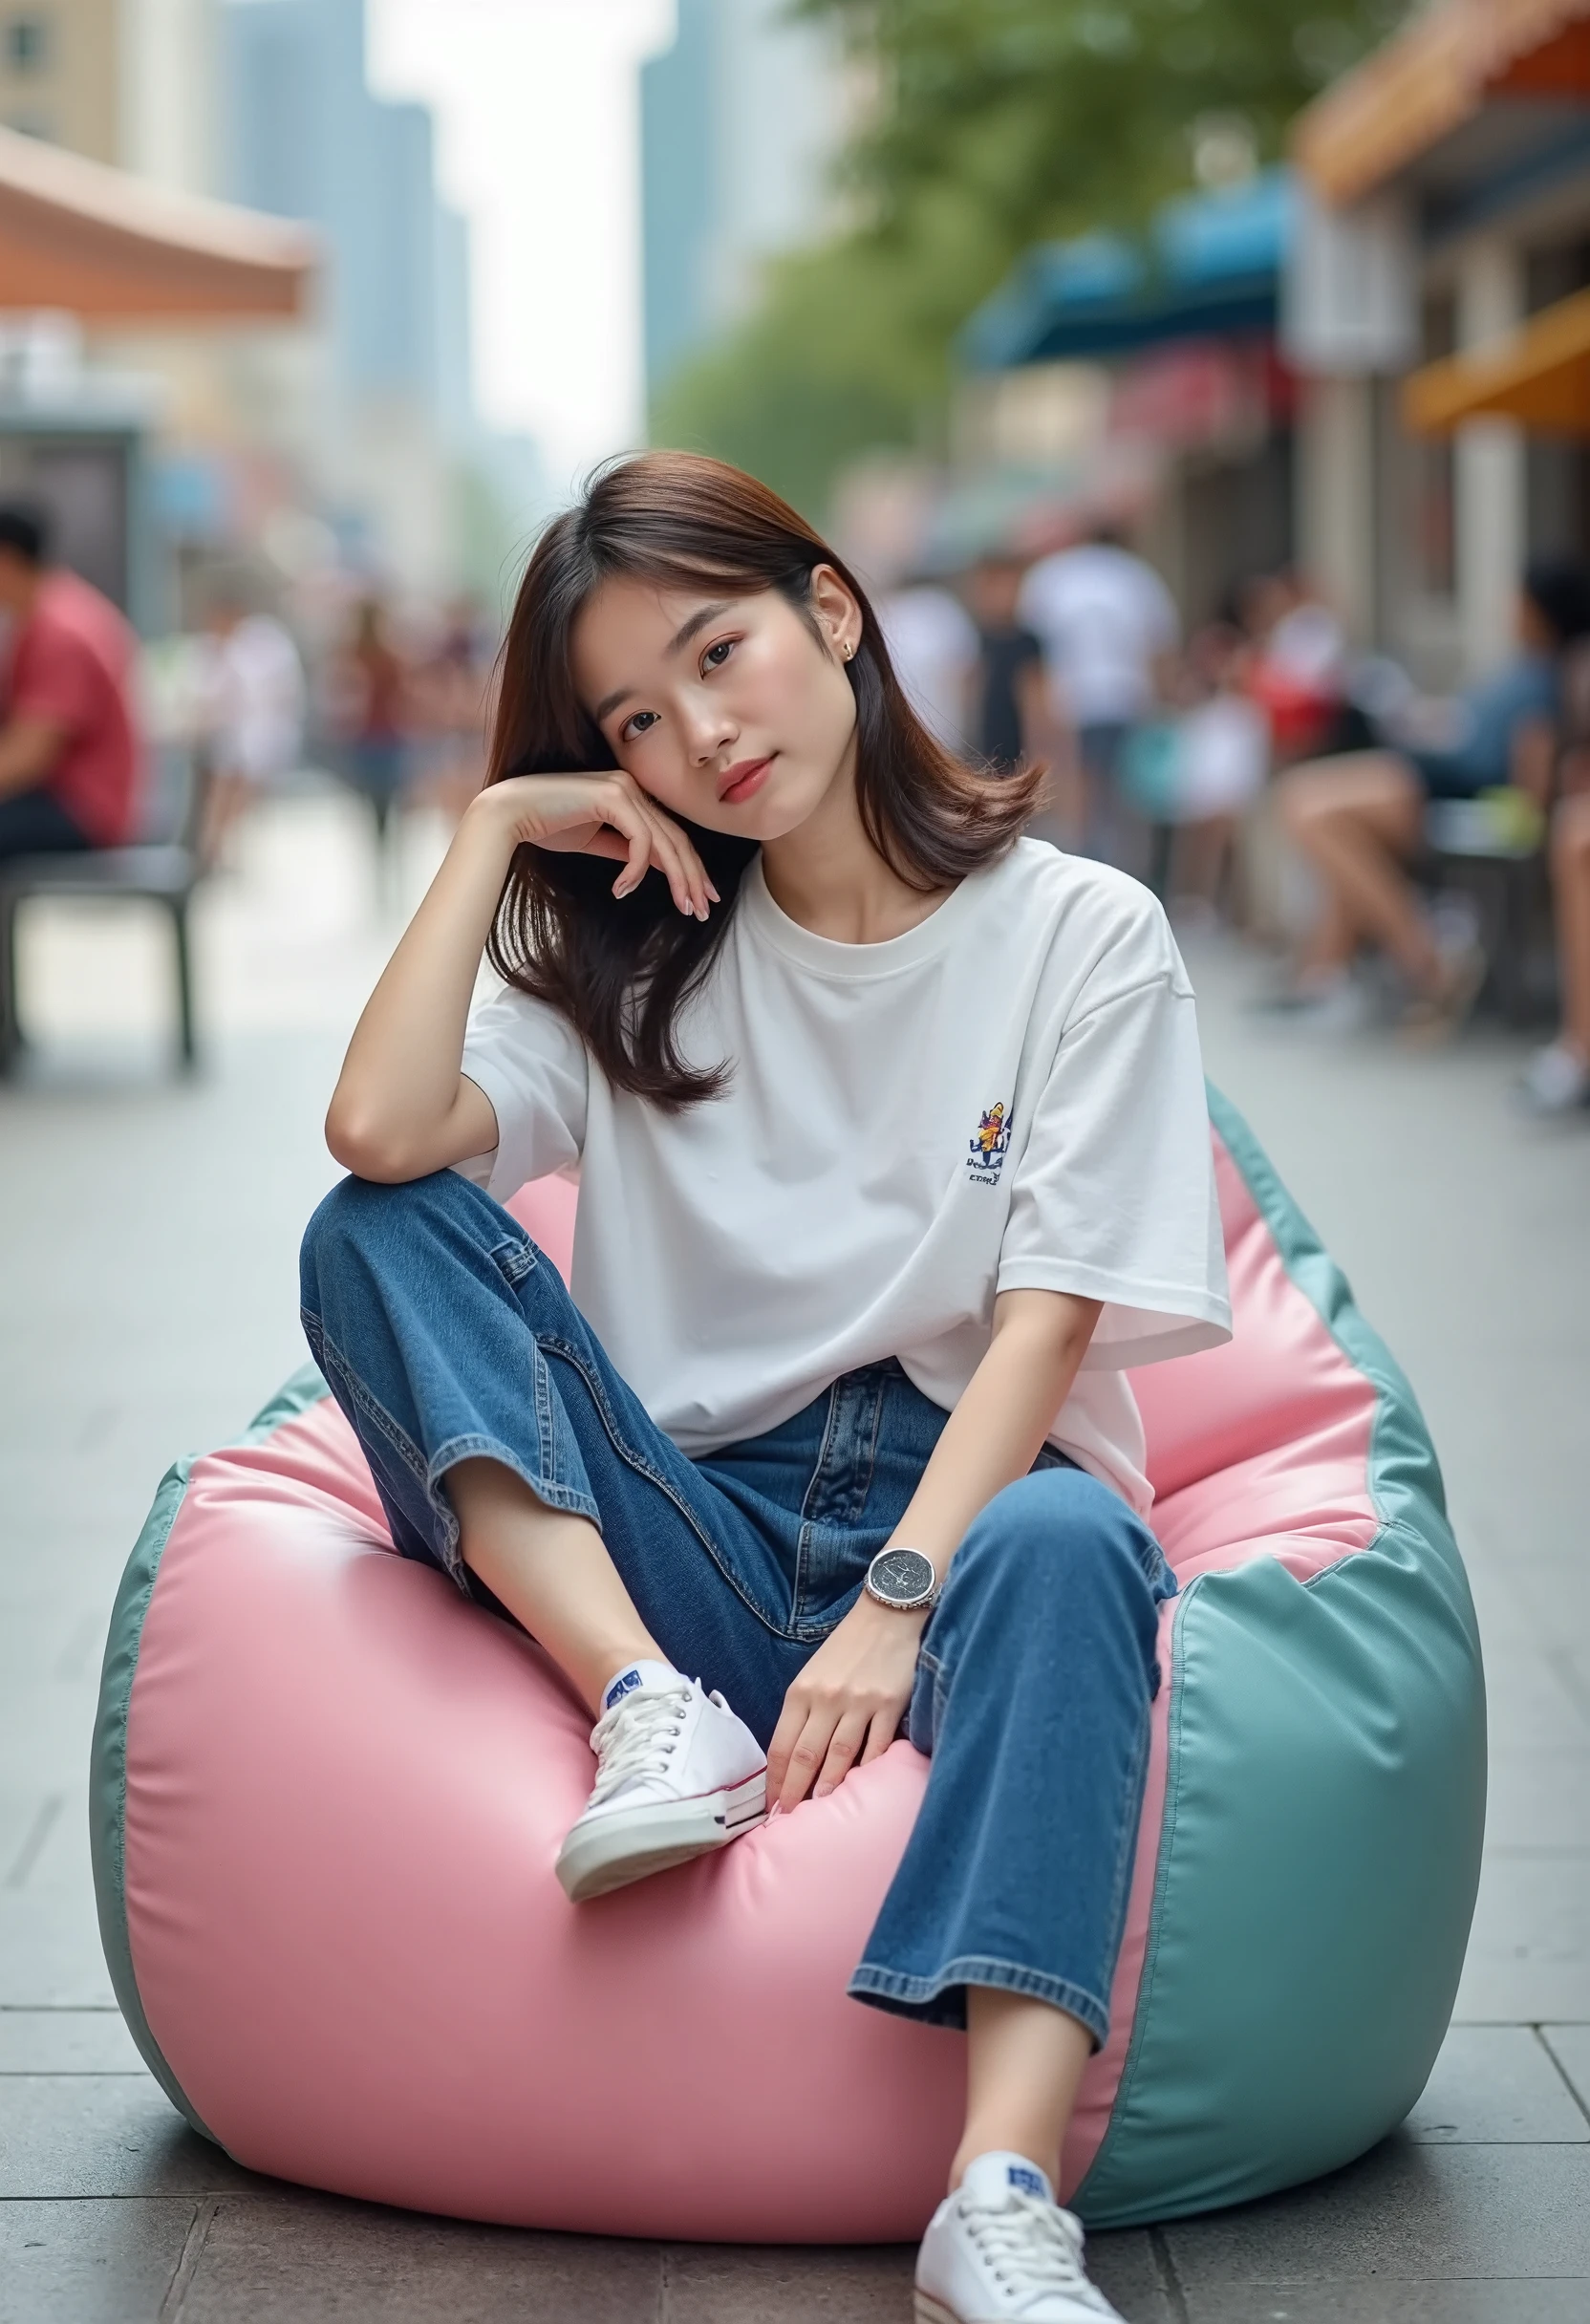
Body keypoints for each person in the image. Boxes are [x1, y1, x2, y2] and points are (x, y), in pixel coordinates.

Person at [301, 453, 1230, 2324]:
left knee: (1070, 1543)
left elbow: (1044, 1320)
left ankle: (996, 2195)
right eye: (637, 715)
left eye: (720, 654)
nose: (700, 733)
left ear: (832, 609)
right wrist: (489, 831)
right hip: (687, 1528)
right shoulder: (632, 967)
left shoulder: (1079, 934)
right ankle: (642, 1704)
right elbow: (381, 1126)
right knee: (366, 1229)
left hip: (956, 1513)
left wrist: (896, 1601)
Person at [1275, 557, 1590, 1031]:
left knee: (1308, 808)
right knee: (1329, 826)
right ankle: (1331, 975)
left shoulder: (1548, 679)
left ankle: (1421, 960)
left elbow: (1534, 767)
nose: (1507, 609)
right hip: (1431, 772)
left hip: (1450, 790)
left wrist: (1523, 816)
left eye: (1517, 601)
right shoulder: (1522, 665)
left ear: (1540, 609)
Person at [1018, 522, 1179, 868]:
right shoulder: (1134, 574)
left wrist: (1039, 723)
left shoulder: (1050, 577)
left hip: (1070, 701)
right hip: (1128, 696)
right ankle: (1133, 870)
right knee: (1129, 798)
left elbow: (1032, 657)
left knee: (1079, 794)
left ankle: (1086, 866)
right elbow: (1159, 646)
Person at [0, 501, 140, 864]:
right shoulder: (52, 610)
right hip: (62, 799)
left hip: (83, 810)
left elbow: (30, 753)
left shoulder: (59, 631)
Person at [197, 579, 306, 860]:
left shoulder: (261, 641)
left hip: (255, 734)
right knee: (223, 792)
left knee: (237, 793)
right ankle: (216, 845)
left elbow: (277, 691)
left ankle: (221, 844)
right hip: (231, 735)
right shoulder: (218, 646)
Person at [961, 549, 1054, 778]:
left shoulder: (1027, 642)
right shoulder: (975, 638)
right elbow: (969, 694)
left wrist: (1041, 754)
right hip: (983, 749)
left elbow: (1037, 703)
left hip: (1018, 748)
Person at [876, 571, 978, 756]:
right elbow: (966, 675)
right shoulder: (943, 609)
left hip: (910, 738)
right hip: (940, 736)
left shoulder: (888, 612)